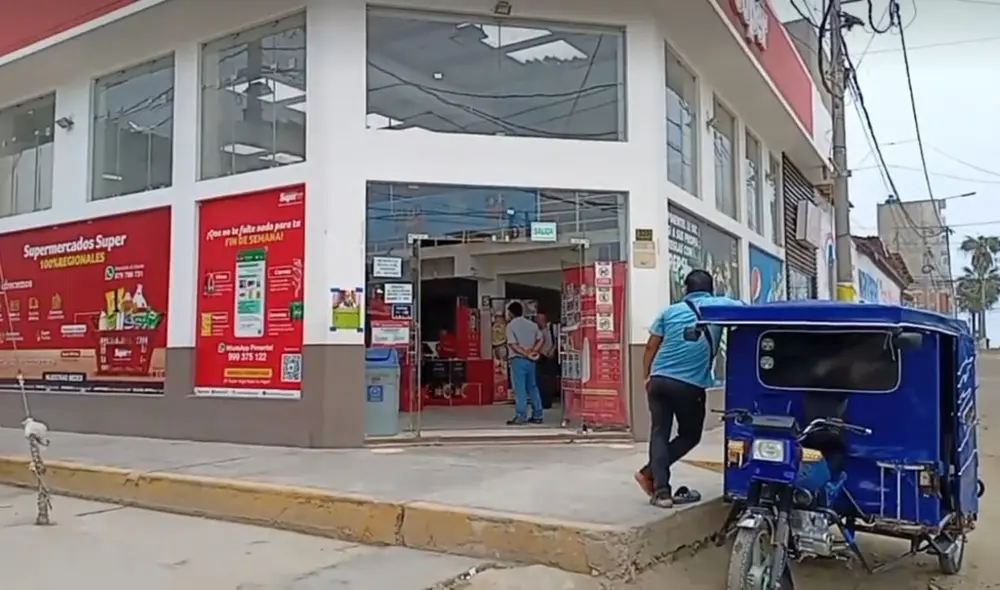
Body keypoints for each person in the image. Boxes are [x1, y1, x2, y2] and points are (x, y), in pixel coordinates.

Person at [636, 270, 743, 508]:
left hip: (659, 379)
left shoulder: (669, 311)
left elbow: (651, 346)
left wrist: (646, 377)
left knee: (659, 432)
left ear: (686, 289)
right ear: (711, 288)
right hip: (689, 385)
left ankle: (661, 493)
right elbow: (745, 311)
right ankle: (648, 473)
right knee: (690, 435)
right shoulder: (720, 305)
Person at [505, 301, 544, 425]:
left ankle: (521, 415)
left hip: (518, 360)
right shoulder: (532, 325)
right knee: (532, 387)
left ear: (510, 313)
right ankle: (538, 414)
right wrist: (533, 351)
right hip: (531, 361)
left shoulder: (510, 326)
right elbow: (541, 339)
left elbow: (513, 345)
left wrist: (525, 353)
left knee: (520, 388)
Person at [535, 311, 559, 409]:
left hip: (550, 356)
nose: (538, 321)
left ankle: (548, 400)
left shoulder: (553, 328)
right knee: (541, 379)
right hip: (541, 356)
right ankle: (542, 400)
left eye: (540, 319)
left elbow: (557, 340)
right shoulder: (537, 330)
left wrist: (552, 350)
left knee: (550, 379)